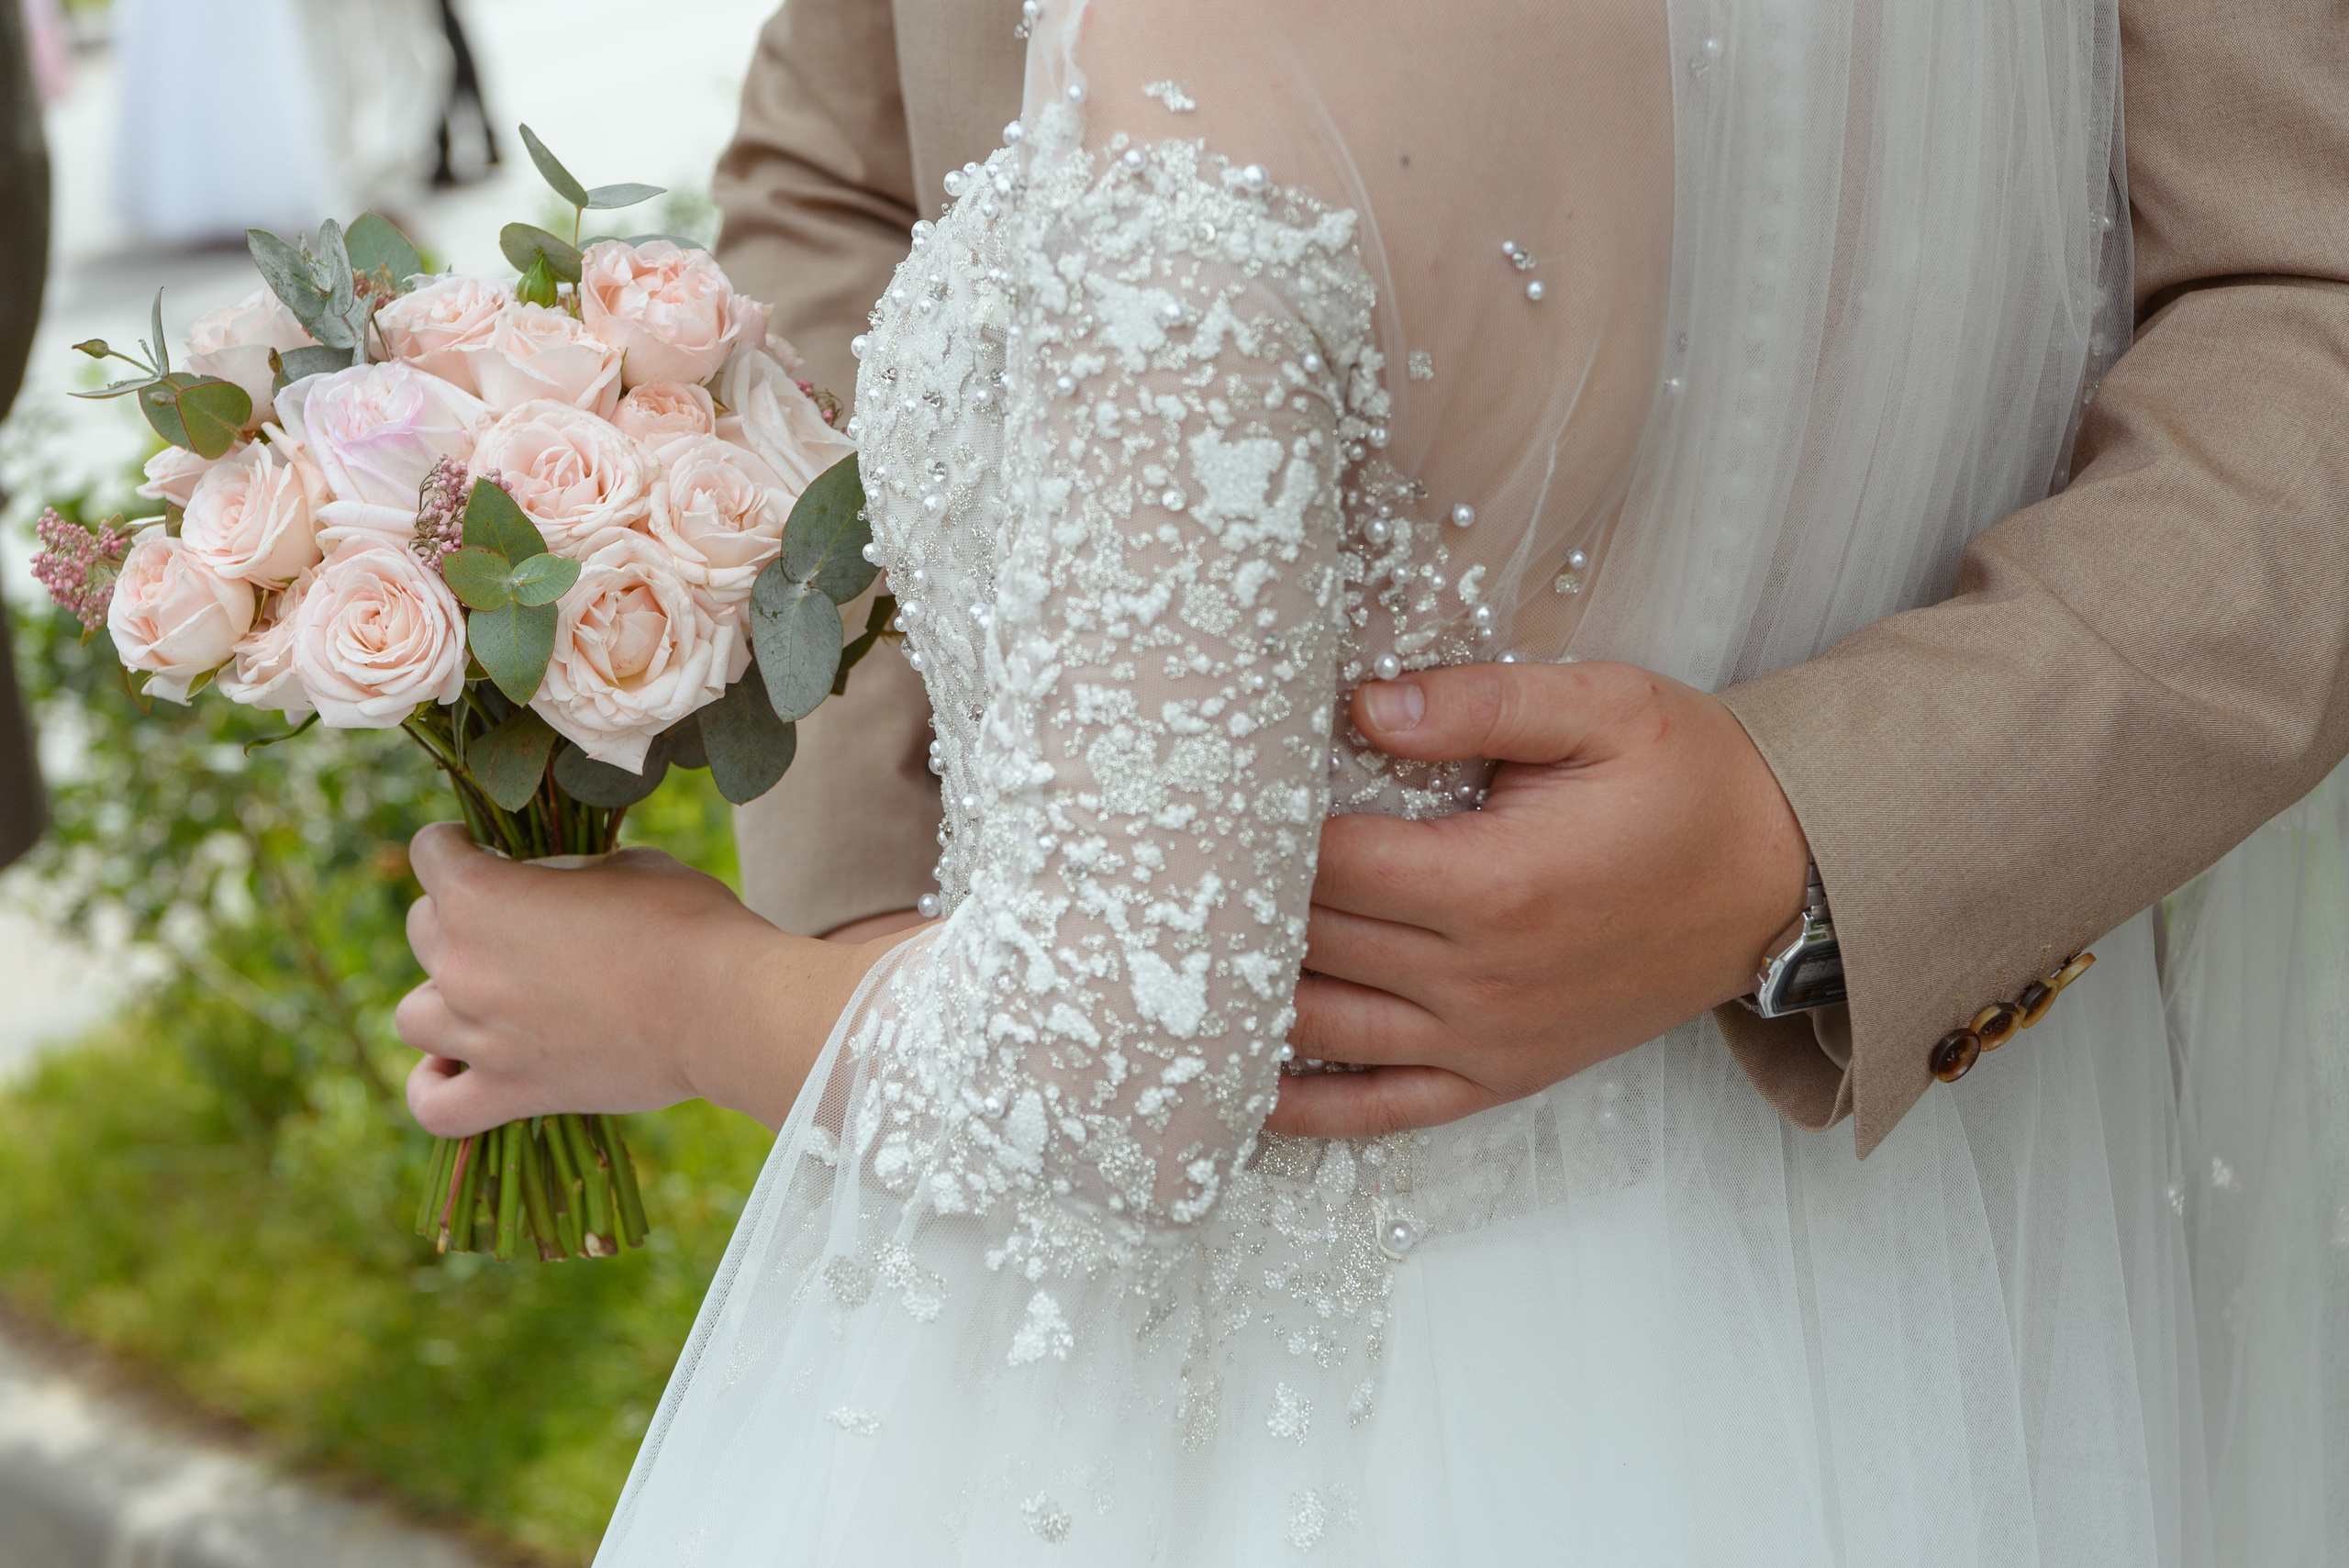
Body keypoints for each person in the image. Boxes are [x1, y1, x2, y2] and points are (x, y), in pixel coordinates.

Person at [398, 0, 2349, 1559]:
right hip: (1180, 1246)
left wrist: (680, 994)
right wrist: (876, 954)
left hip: (1834, 1184)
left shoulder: (1207, 110)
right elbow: (842, 167)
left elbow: (2300, 291)